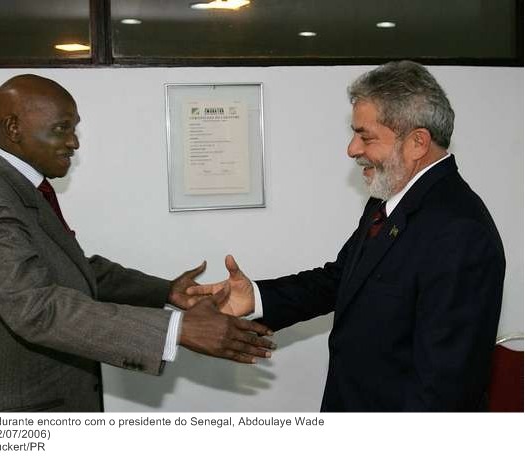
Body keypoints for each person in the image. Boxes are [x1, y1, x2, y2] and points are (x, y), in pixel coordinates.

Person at [0, 74, 275, 412]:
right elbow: (38, 308)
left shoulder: (21, 190)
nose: (74, 142)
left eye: (74, 128)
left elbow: (75, 270)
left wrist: (165, 292)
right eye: (61, 128)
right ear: (14, 128)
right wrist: (176, 329)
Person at [188, 61, 505, 411]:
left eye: (365, 137)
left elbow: (444, 390)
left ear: (417, 142)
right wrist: (258, 298)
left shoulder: (460, 232)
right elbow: (341, 280)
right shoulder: (388, 200)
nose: (352, 149)